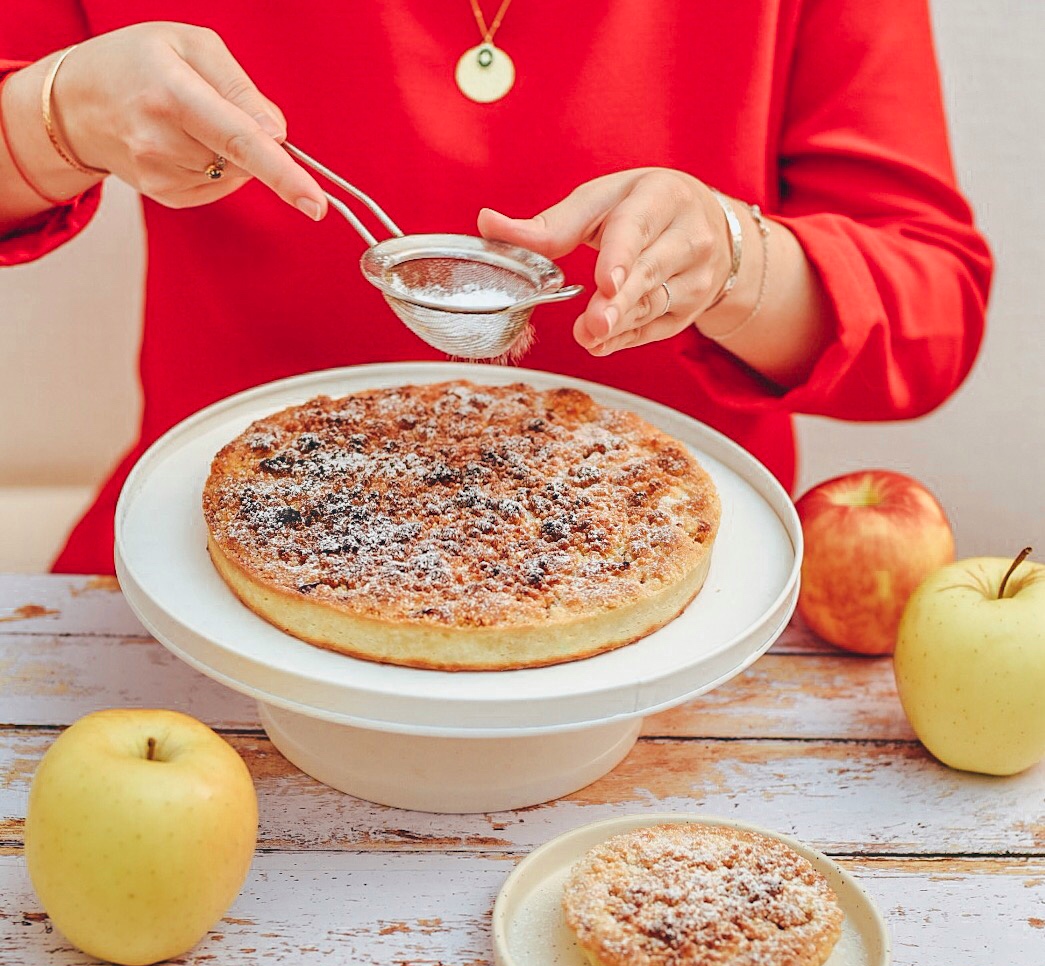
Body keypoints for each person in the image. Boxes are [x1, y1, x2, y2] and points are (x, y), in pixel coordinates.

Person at [0, 4, 991, 576]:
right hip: (208, 574)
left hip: (671, 609)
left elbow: (930, 311)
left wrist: (734, 263)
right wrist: (53, 115)